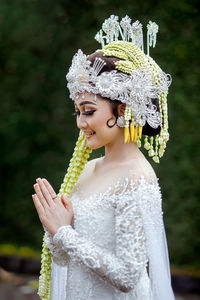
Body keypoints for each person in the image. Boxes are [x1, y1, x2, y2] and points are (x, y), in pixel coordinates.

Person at [32, 15, 175, 300]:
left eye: (88, 111)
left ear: (122, 110)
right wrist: (55, 232)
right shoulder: (86, 170)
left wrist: (64, 233)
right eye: (77, 112)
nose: (80, 123)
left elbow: (128, 276)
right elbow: (63, 258)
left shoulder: (137, 177)